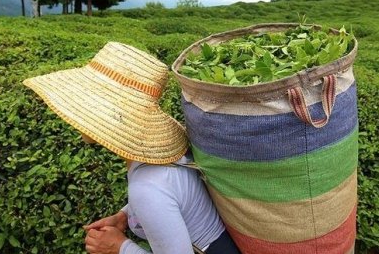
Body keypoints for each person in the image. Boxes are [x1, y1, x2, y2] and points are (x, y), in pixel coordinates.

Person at [23, 42, 241, 254]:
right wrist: (124, 216)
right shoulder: (155, 163)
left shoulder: (147, 188)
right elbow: (173, 198)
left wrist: (118, 247)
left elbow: (155, 194)